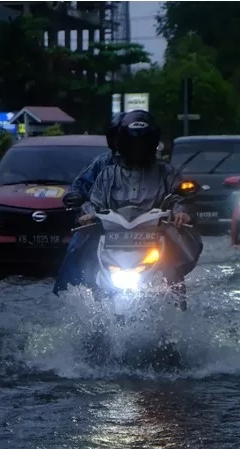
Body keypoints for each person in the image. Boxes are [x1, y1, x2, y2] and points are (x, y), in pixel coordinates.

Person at [54, 110, 199, 308]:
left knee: (172, 269)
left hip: (155, 238)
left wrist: (180, 212)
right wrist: (87, 214)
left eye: (143, 143)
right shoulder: (106, 172)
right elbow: (93, 199)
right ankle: (77, 300)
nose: (137, 149)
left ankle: (178, 311)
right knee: (81, 254)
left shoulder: (166, 172)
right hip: (112, 237)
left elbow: (176, 196)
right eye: (133, 143)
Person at [70, 112, 123, 201]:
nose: (122, 142)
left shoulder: (152, 165)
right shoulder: (102, 162)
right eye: (118, 137)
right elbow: (79, 187)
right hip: (105, 212)